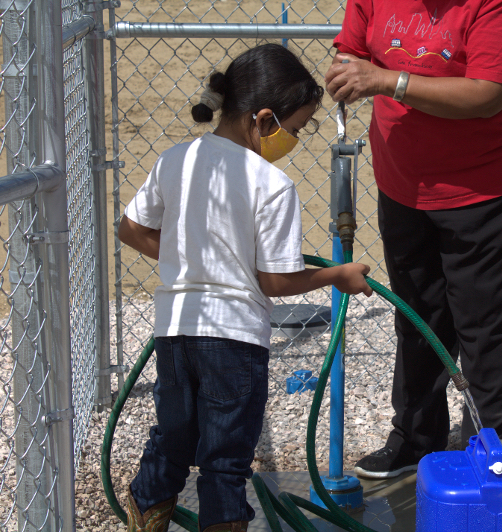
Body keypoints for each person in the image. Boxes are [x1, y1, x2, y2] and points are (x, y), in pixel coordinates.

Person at [118, 43, 372, 532]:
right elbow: (273, 280)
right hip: (233, 341)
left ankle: (142, 521)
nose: (293, 140)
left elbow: (130, 229)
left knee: (171, 443)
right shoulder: (271, 185)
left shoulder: (177, 159)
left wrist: (188, 257)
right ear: (262, 120)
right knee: (224, 461)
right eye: (293, 129)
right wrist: (337, 276)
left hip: (174, 333)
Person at [325, 0, 502, 479]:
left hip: (481, 189)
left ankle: (490, 449)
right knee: (416, 317)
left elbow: (488, 94)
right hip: (403, 183)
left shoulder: (494, 4)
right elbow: (349, 50)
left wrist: (388, 80)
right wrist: (347, 71)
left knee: (483, 328)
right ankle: (417, 438)